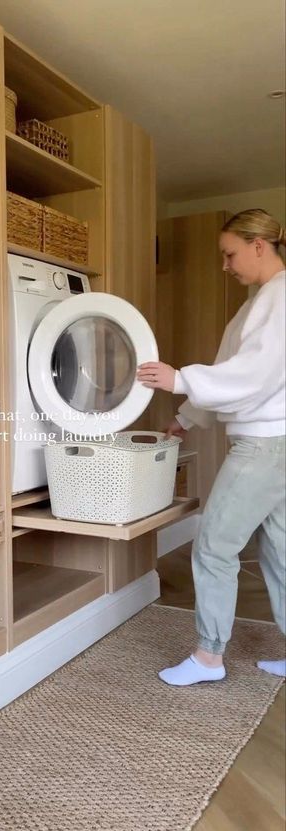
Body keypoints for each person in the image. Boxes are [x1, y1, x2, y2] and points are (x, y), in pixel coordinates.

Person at [137, 208, 286, 686]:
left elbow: (255, 377)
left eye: (230, 254)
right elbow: (233, 368)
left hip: (264, 446)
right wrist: (186, 417)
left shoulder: (279, 301)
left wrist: (179, 379)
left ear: (258, 246)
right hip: (275, 444)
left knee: (214, 545)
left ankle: (208, 657)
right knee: (280, 551)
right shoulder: (261, 302)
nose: (226, 265)